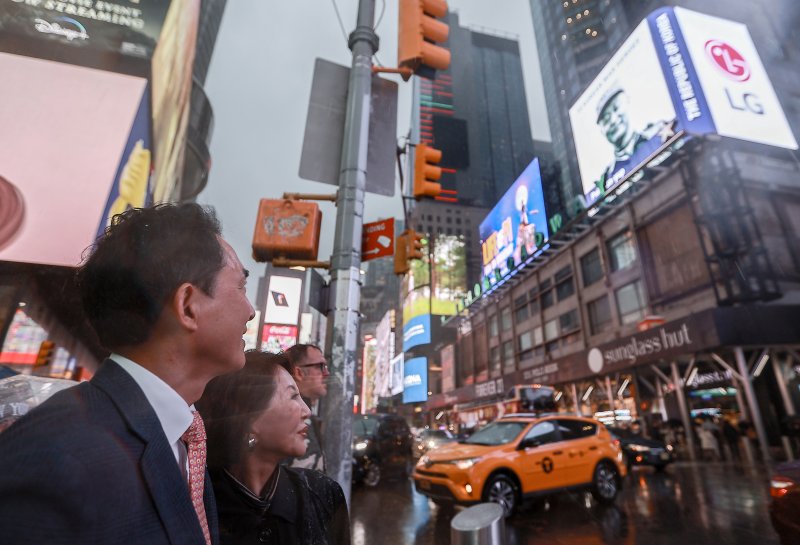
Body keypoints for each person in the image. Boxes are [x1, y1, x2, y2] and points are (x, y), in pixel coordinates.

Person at [0, 203, 256, 545]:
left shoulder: (183, 438)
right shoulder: (58, 457)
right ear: (188, 306)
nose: (251, 311)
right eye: (240, 287)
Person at [196, 350, 350, 545]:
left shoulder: (323, 493)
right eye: (293, 396)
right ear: (250, 416)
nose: (307, 411)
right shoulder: (199, 501)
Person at [595, 86, 669, 188]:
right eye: (606, 119)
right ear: (601, 130)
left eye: (616, 108)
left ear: (627, 103)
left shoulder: (659, 132)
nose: (613, 120)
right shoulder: (607, 177)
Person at [284, 344, 330, 471]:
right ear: (299, 372)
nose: (327, 373)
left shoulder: (306, 415)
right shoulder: (287, 417)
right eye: (320, 366)